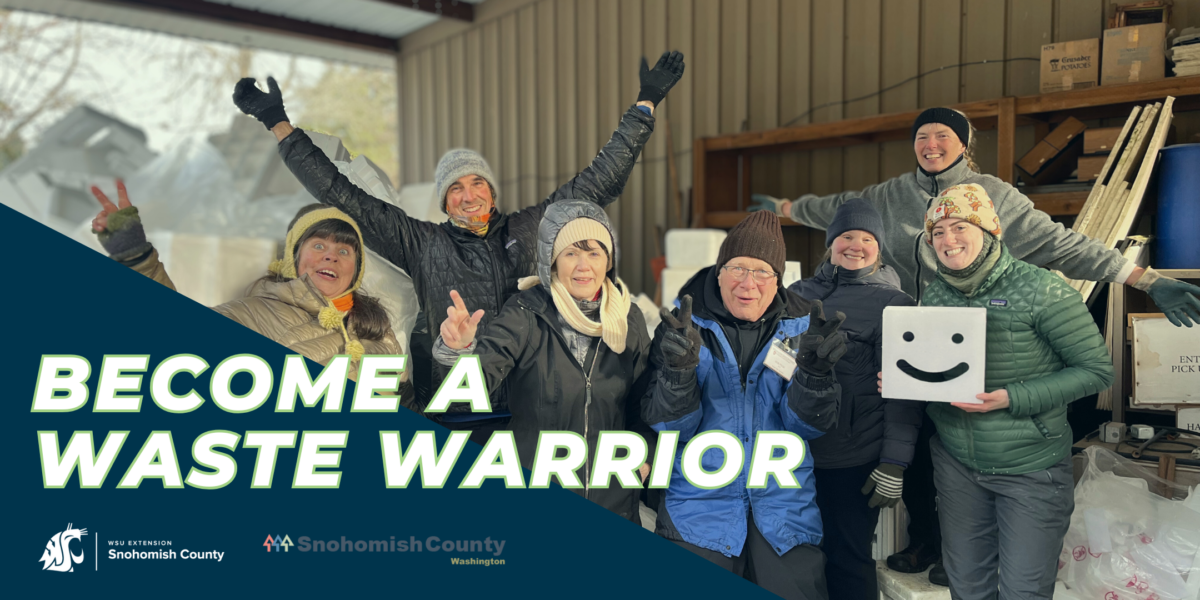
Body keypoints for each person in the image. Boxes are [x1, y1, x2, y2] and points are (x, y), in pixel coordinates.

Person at [751, 106, 1200, 583]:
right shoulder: (891, 195)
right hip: (907, 343)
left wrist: (1145, 278)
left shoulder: (997, 198)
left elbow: (1064, 246)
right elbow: (836, 209)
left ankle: (953, 549)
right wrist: (783, 208)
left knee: (953, 436)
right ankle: (925, 538)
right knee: (919, 445)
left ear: (964, 144)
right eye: (922, 136)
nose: (931, 144)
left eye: (943, 135)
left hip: (975, 346)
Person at [231, 51, 686, 445]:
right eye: (455, 190)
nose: (468, 196)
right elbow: (341, 192)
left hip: (532, 409)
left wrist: (645, 105)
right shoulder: (422, 242)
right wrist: (279, 125)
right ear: (444, 202)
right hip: (459, 413)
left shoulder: (530, 228)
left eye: (477, 184)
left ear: (491, 190)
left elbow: (598, 181)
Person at [880, 183, 1113, 599]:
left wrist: (1012, 397)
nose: (947, 240)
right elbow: (937, 372)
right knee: (967, 585)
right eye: (937, 232)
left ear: (989, 231)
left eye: (958, 227)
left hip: (1029, 466)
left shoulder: (1042, 289)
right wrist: (904, 380)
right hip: (957, 465)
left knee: (1024, 589)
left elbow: (1096, 371)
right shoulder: (936, 294)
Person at [641, 211, 847, 600]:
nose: (747, 283)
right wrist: (678, 373)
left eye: (762, 271)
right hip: (699, 509)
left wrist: (815, 377)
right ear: (718, 271)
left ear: (778, 280)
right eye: (737, 267)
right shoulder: (684, 328)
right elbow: (672, 430)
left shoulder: (804, 330)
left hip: (785, 509)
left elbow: (807, 428)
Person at [90, 181, 413, 404]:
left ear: (355, 270)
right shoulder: (253, 313)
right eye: (318, 245)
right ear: (294, 258)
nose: (331, 256)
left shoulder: (378, 330)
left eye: (344, 251)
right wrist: (136, 258)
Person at [433, 201, 653, 521]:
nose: (583, 266)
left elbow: (644, 402)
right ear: (551, 259)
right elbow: (469, 394)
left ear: (609, 260)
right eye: (571, 253)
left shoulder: (628, 318)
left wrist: (645, 450)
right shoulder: (525, 312)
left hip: (613, 498)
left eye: (594, 253)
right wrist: (459, 350)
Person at [788, 199, 918, 600]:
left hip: (853, 454)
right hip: (792, 450)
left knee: (848, 557)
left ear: (879, 247)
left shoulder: (896, 304)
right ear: (830, 243)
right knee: (796, 556)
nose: (856, 245)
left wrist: (895, 463)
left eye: (867, 238)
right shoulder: (796, 294)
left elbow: (904, 394)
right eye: (846, 236)